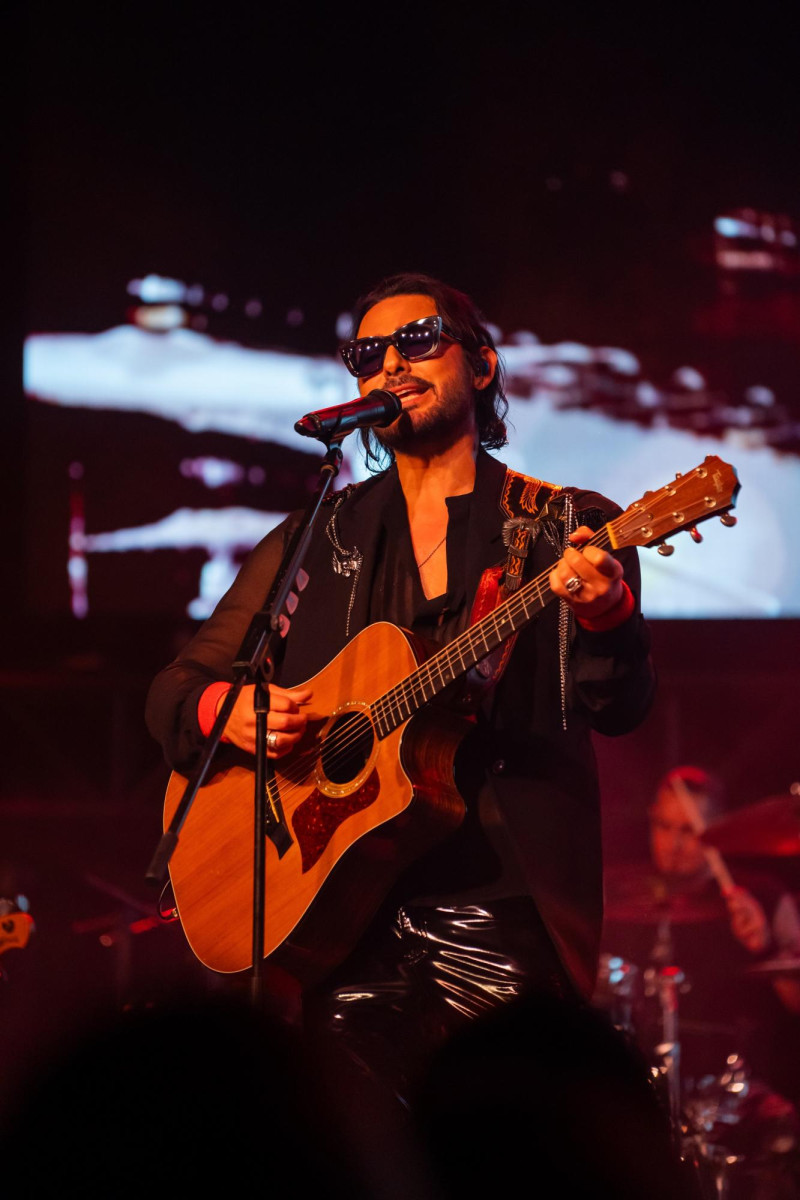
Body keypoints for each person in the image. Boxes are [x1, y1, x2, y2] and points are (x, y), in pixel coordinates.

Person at [146, 273, 663, 1190]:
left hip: (503, 911)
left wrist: (609, 614)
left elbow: (618, 708)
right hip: (341, 917)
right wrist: (222, 708)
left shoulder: (561, 523)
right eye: (369, 353)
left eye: (418, 341)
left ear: (482, 362)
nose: (392, 363)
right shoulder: (319, 532)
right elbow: (180, 685)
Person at [601, 766, 800, 1194]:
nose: (674, 844)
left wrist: (766, 945)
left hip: (737, 1091)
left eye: (690, 830)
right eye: (664, 826)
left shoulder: (760, 896)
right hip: (635, 1090)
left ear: (718, 828)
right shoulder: (614, 895)